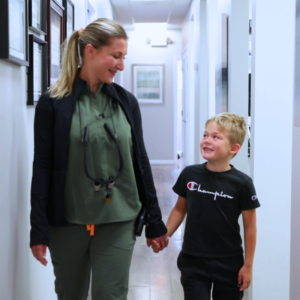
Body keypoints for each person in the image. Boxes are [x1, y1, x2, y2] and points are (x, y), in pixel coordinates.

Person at [30, 18, 168, 300]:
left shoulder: (126, 101)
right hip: (68, 221)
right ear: (90, 51)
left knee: (110, 295)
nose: (121, 65)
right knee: (71, 295)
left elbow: (141, 160)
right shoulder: (53, 103)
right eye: (115, 56)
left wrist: (155, 220)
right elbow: (42, 166)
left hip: (119, 216)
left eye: (124, 57)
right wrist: (38, 228)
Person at [152, 113, 260, 300]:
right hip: (193, 260)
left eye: (216, 137)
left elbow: (250, 226)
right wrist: (165, 234)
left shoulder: (242, 183)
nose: (207, 140)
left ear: (234, 148)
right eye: (205, 135)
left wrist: (248, 266)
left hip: (229, 263)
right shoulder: (190, 174)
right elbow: (179, 209)